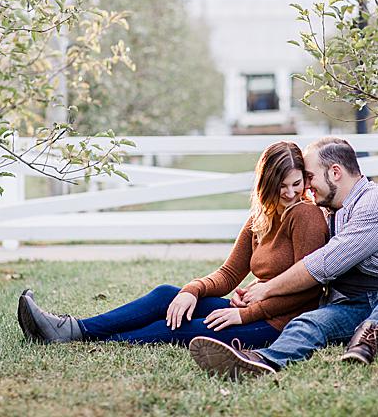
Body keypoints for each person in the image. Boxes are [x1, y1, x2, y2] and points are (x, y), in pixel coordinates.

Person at [188, 136, 378, 380]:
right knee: (307, 322)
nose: (306, 186)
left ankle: (374, 331)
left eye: (309, 176)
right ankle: (260, 360)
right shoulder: (328, 210)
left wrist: (265, 289)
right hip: (356, 306)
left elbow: (326, 263)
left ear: (335, 172)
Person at [17, 141, 329, 347]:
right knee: (169, 296)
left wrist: (245, 315)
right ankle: (73, 328)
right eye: (281, 186)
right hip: (252, 308)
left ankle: (81, 338)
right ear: (266, 185)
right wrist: (191, 290)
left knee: (176, 329)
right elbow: (229, 275)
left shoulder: (306, 216)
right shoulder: (260, 218)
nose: (290, 193)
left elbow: (308, 289)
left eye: (296, 184)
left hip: (279, 323)